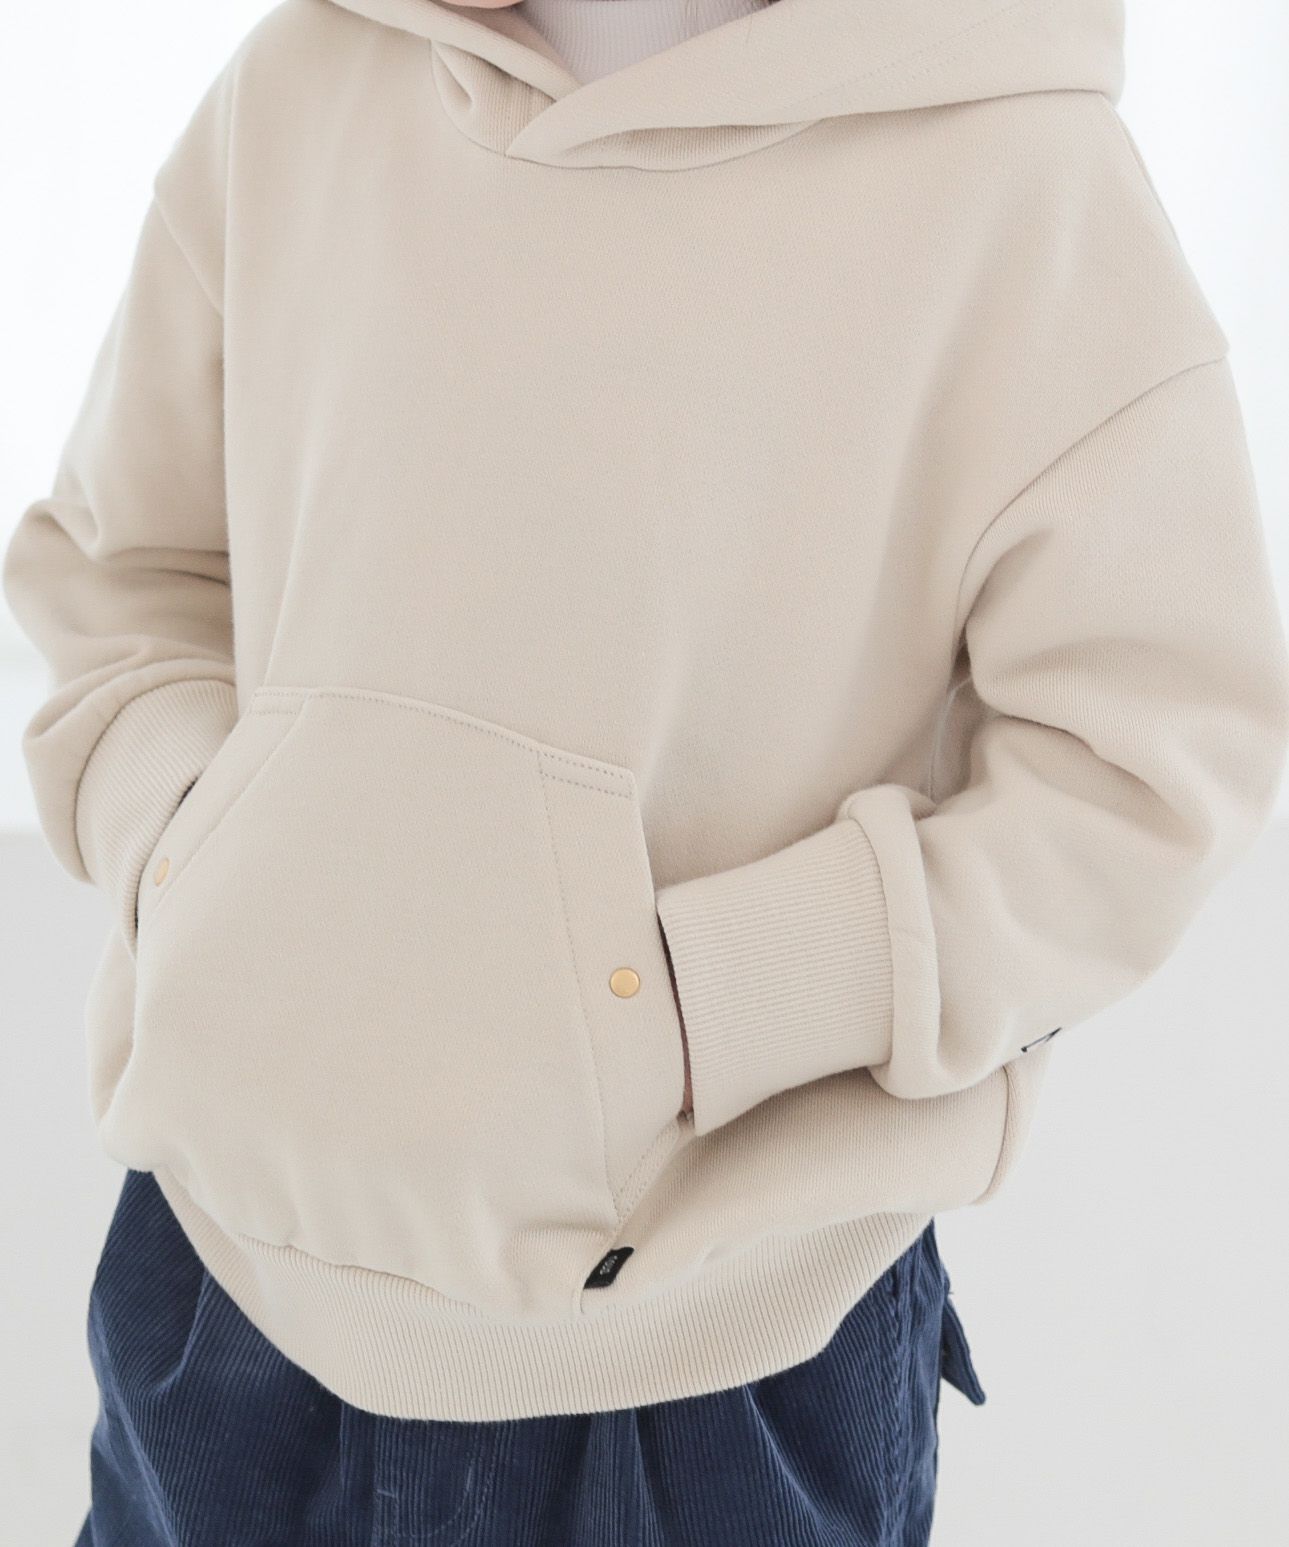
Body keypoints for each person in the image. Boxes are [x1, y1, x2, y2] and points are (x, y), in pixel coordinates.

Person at [5, 0, 1288, 1542]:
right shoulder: (302, 82)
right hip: (224, 1288)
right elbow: (127, 569)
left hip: (718, 1359)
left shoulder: (1021, 177)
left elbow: (1150, 762)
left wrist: (702, 1001)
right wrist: (193, 869)